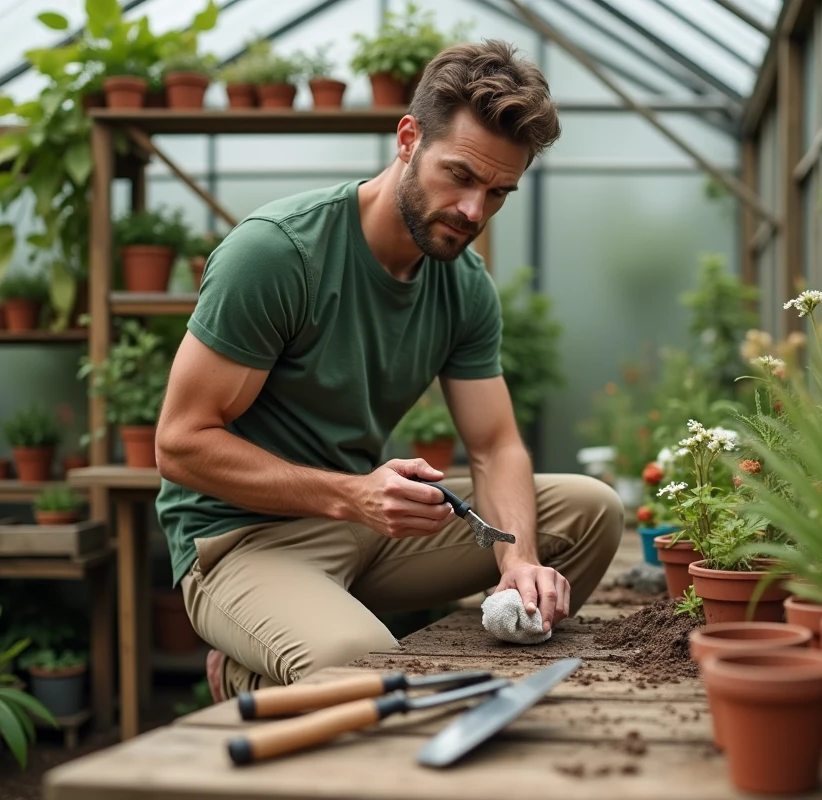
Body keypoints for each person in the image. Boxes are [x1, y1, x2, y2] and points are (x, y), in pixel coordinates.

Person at [154, 39, 625, 702]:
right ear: (408, 138)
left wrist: (517, 561)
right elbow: (179, 445)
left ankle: (329, 638)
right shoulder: (279, 255)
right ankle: (243, 669)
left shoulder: (464, 284)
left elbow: (494, 446)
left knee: (592, 512)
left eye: (497, 193)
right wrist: (351, 495)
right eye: (459, 175)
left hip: (364, 529)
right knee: (360, 668)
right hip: (242, 540)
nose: (473, 211)